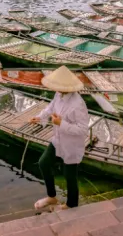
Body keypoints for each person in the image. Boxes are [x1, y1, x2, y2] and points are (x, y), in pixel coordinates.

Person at [29, 66, 89, 210]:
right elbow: (51, 107)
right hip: (58, 140)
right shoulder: (58, 94)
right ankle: (52, 197)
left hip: (71, 144)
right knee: (43, 163)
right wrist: (39, 117)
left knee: (69, 176)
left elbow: (82, 129)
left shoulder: (78, 104)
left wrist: (61, 123)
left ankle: (71, 205)